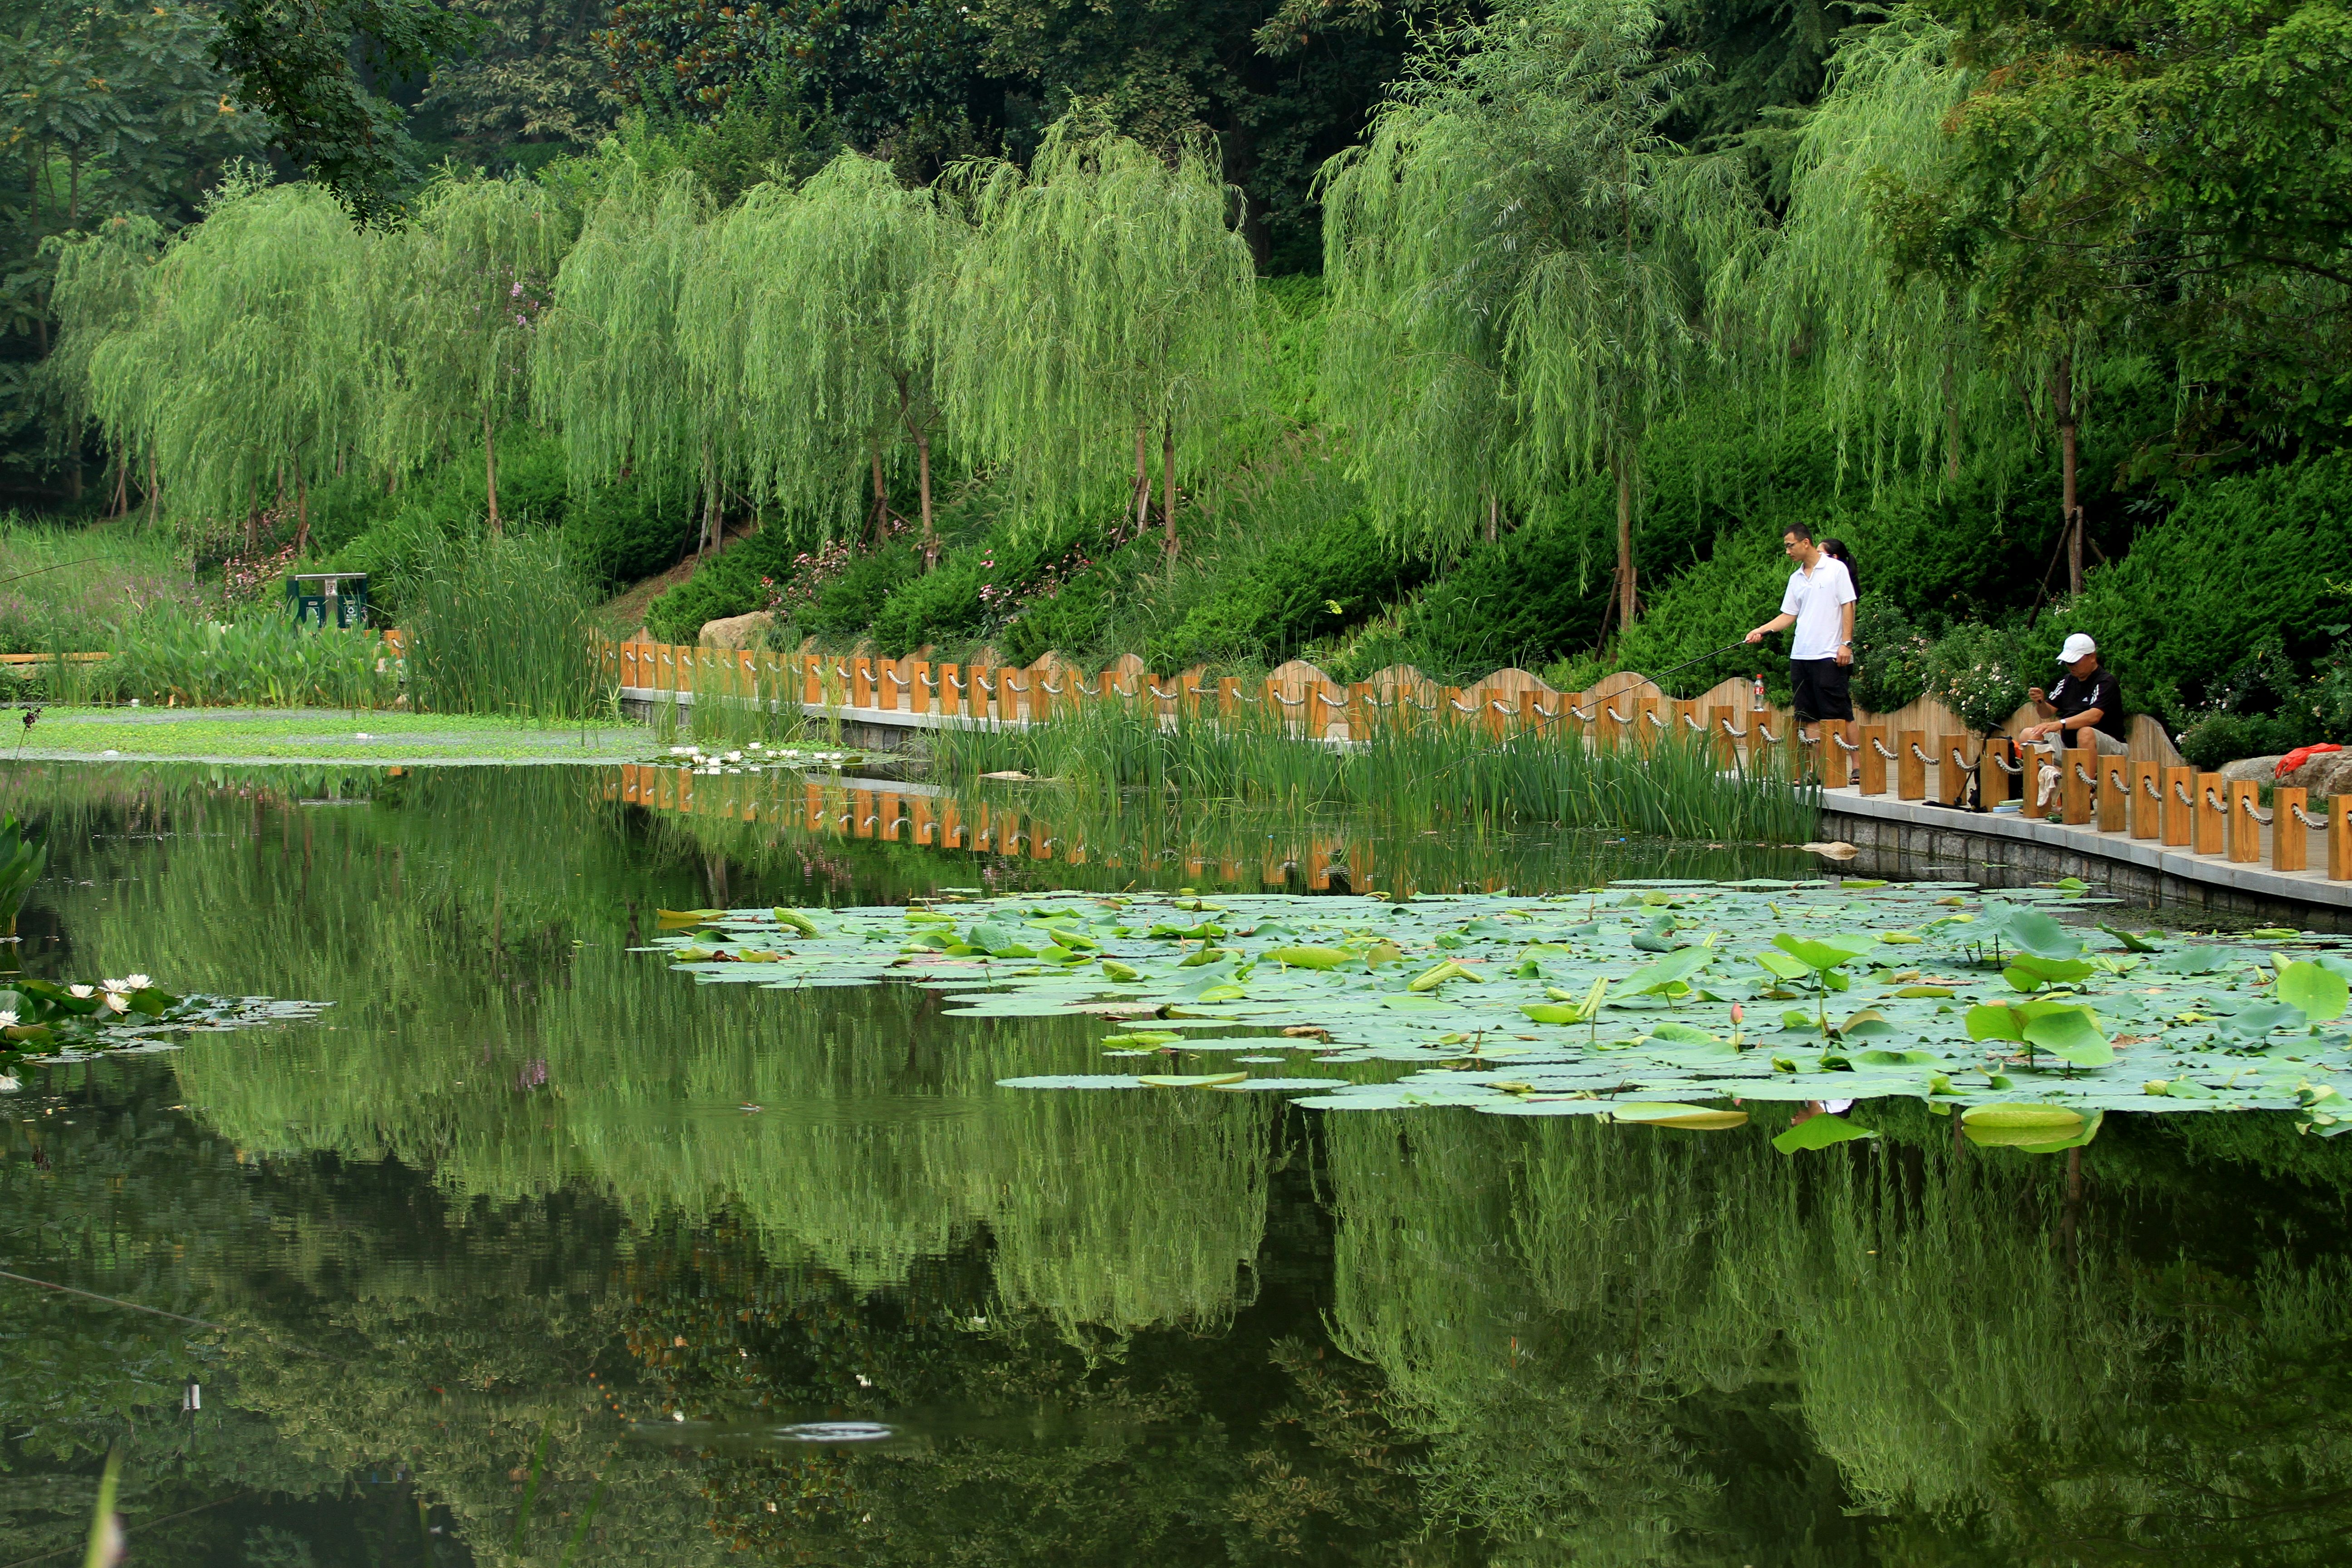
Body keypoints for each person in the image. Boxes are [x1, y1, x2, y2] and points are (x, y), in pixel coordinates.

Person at [1744, 523, 1854, 740]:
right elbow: (1788, 616)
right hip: (1801, 657)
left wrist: (1846, 644)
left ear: (1806, 543)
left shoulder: (1836, 569)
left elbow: (1848, 605)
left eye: (1790, 546)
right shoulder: (1796, 579)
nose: (1787, 552)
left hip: (1829, 655)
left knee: (1836, 715)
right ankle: (1817, 771)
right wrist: (1760, 630)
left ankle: (1850, 770)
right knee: (1808, 716)